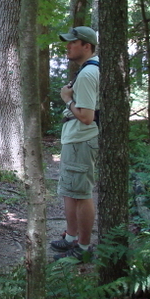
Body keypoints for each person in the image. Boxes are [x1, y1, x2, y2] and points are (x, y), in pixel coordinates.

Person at [50, 26, 100, 262]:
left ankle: (83, 247)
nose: (68, 46)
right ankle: (71, 238)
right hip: (75, 139)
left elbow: (87, 116)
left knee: (81, 193)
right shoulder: (87, 70)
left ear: (86, 46)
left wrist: (67, 100)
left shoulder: (89, 73)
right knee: (70, 191)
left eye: (73, 42)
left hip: (82, 139)